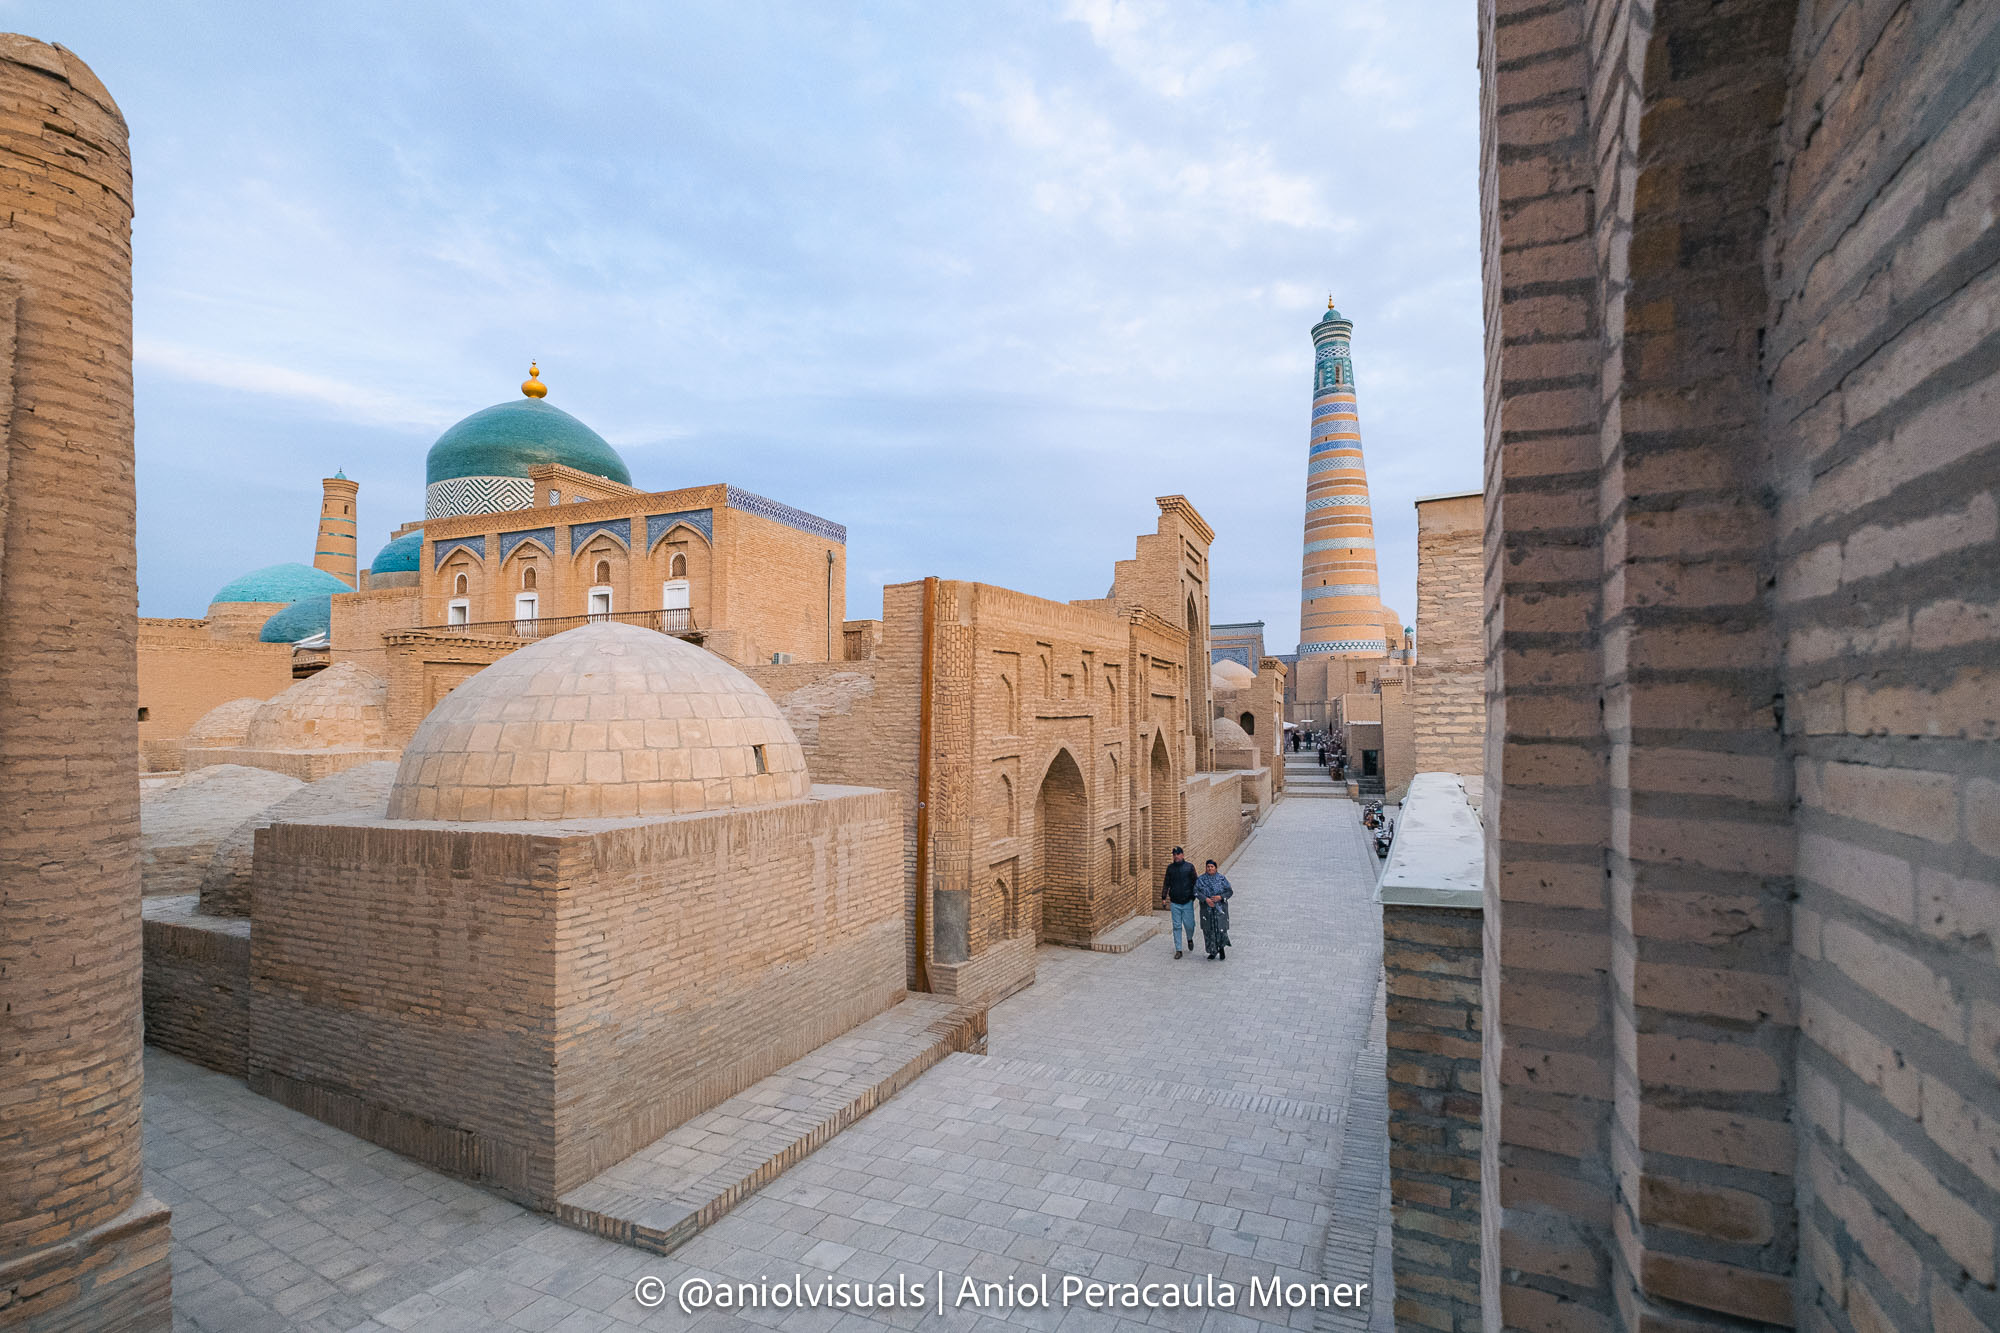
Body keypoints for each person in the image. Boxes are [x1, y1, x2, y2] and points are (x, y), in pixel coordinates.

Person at [1163, 847, 1199, 959]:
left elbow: (1196, 883)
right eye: (1174, 854)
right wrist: (1164, 897)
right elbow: (1166, 883)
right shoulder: (1170, 868)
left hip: (1187, 902)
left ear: (1182, 855)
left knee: (1190, 925)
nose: (1176, 856)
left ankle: (1189, 938)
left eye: (1178, 854)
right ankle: (1178, 949)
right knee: (1177, 926)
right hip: (1175, 903)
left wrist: (1193, 897)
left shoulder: (1189, 867)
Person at [1196, 859, 1232, 959]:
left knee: (1220, 930)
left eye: (1212, 866)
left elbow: (1229, 892)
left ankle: (1221, 949)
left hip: (1220, 911)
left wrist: (1220, 897)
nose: (1210, 868)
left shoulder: (1221, 879)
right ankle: (1212, 951)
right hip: (1207, 911)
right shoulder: (1201, 880)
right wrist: (1206, 899)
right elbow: (1196, 891)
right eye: (1208, 866)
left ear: (1215, 868)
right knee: (1209, 930)